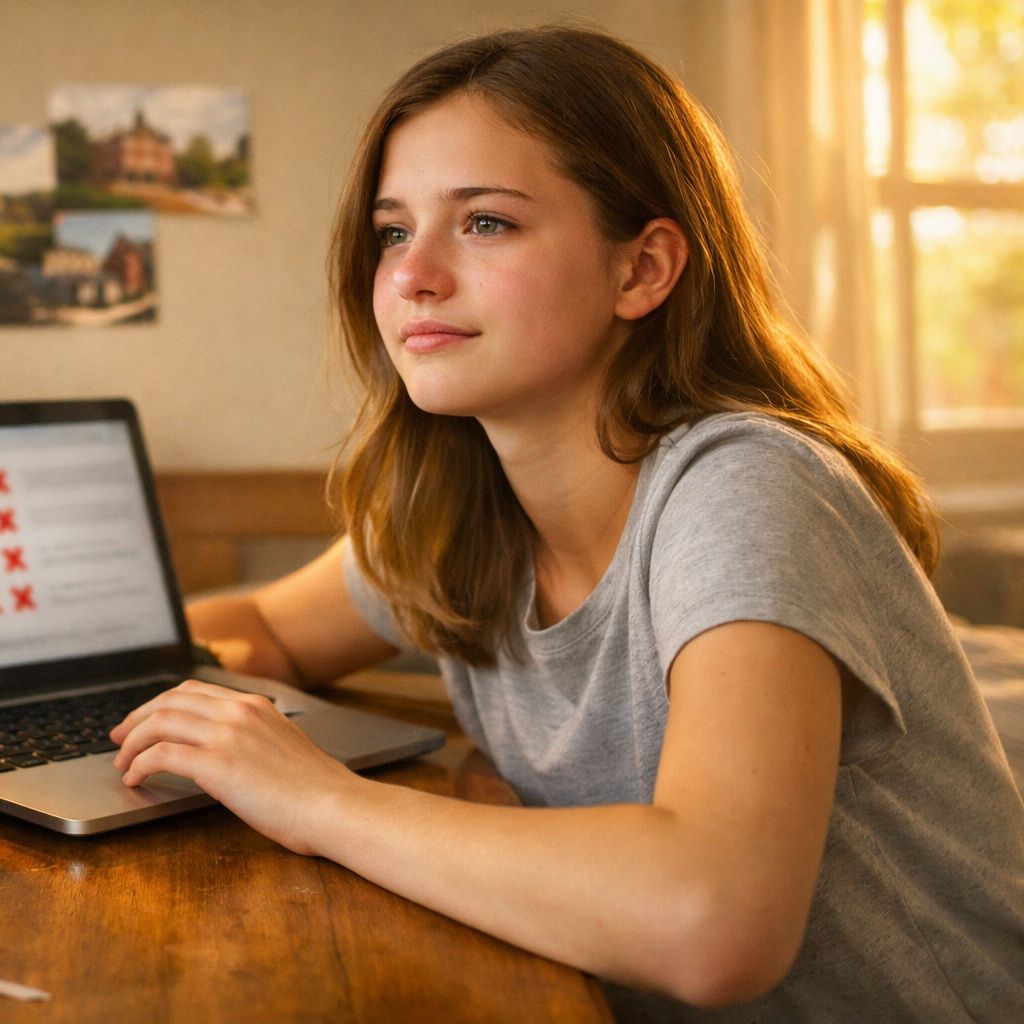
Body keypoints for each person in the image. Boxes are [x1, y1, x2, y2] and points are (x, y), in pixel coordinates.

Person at [108, 26, 1024, 1021]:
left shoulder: (747, 486)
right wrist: (134, 688)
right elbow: (270, 629)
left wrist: (319, 798)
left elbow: (714, 922)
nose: (414, 276)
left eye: (487, 223)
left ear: (642, 271)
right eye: (393, 231)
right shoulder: (455, 514)